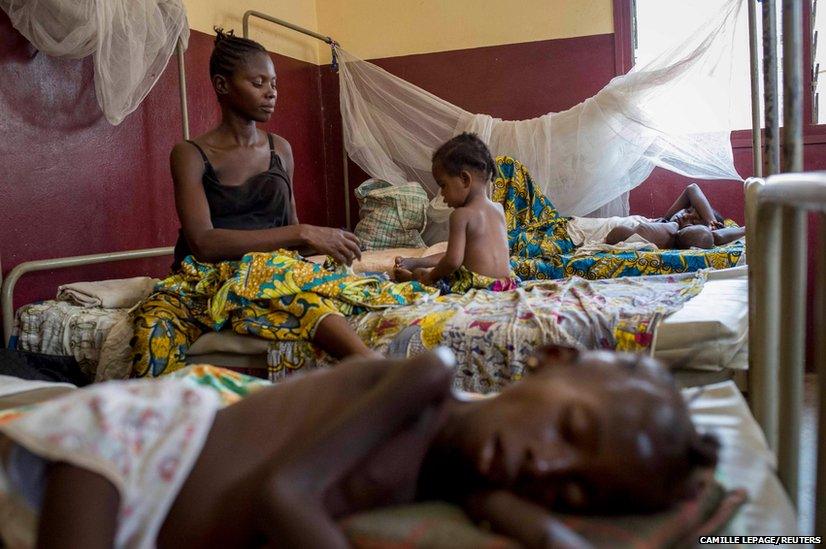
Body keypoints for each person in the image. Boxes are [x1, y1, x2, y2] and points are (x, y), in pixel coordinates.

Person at [2, 347, 717, 548]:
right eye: (571, 430)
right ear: (550, 360)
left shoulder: (476, 472)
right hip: (130, 451)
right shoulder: (428, 382)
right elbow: (285, 495)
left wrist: (557, 525)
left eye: (574, 486)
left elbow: (520, 515)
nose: (548, 466)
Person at [130, 30, 430, 377]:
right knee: (152, 328)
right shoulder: (191, 155)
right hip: (208, 277)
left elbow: (293, 240)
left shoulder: (279, 150)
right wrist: (303, 233)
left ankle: (371, 366)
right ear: (222, 85)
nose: (271, 92)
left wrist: (327, 250)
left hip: (271, 271)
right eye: (258, 82)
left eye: (273, 83)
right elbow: (204, 243)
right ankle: (168, 422)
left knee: (301, 287)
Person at [394, 133, 517, 294]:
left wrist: (431, 277)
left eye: (443, 185)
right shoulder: (498, 209)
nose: (442, 194)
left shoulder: (461, 215)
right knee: (433, 272)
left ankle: (413, 279)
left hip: (477, 288)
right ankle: (418, 273)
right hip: (506, 285)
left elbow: (452, 261)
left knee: (423, 275)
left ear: (465, 179)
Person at [605, 183, 745, 249]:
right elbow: (692, 189)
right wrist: (711, 220)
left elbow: (710, 236)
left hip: (605, 231)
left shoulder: (675, 232)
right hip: (606, 226)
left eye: (693, 222)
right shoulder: (667, 219)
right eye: (688, 211)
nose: (685, 216)